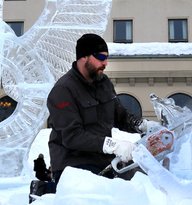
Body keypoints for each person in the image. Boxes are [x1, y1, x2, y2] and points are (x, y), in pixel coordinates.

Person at [47, 33, 157, 185]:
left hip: (103, 161)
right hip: (73, 164)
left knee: (141, 184)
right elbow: (72, 136)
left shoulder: (103, 83)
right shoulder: (63, 90)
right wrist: (113, 145)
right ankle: (47, 190)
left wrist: (144, 125)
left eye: (107, 57)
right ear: (83, 57)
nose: (105, 63)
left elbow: (121, 116)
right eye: (100, 57)